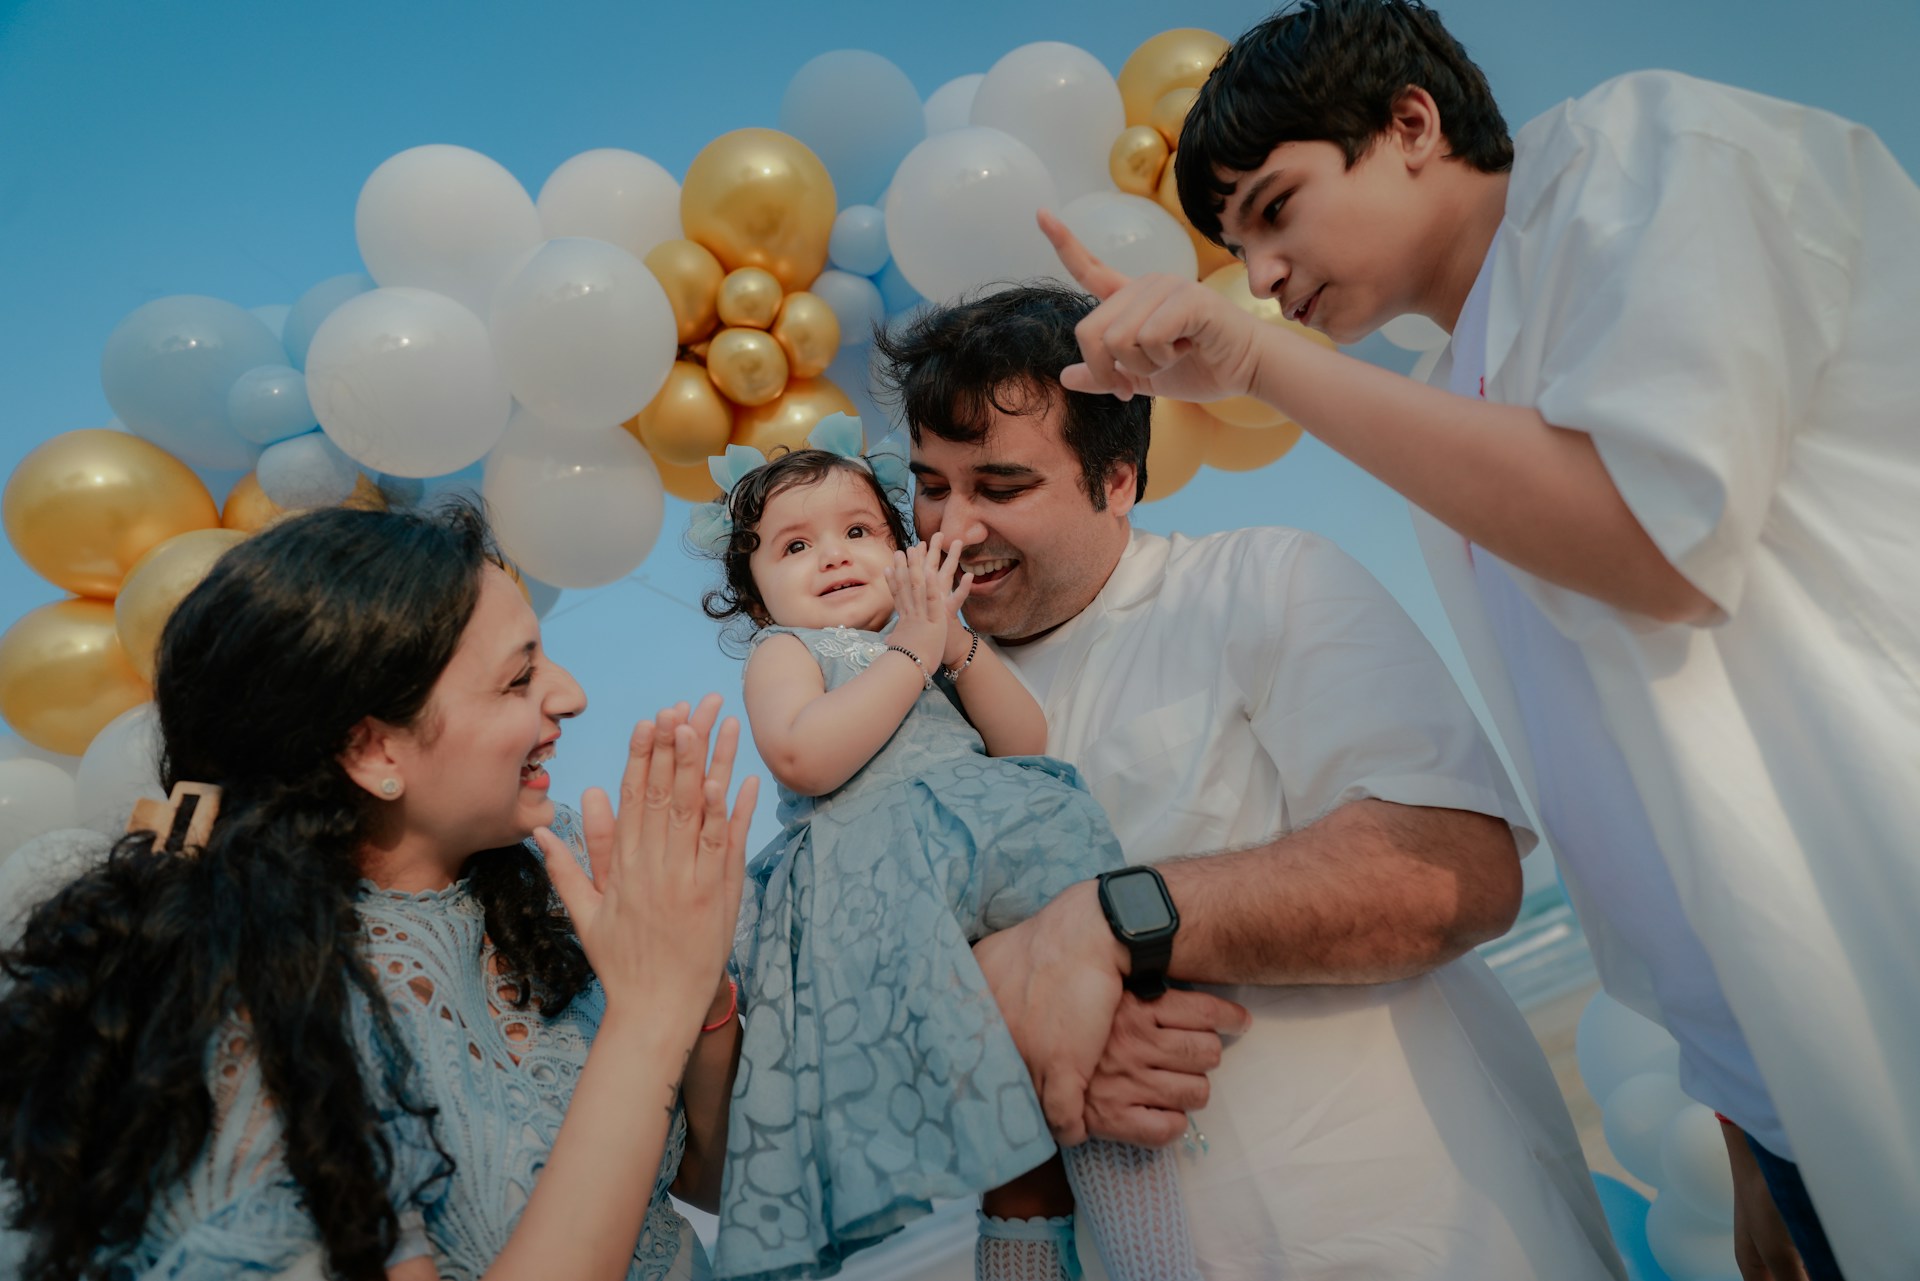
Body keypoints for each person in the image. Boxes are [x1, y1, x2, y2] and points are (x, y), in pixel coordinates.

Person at [1037, 2, 1919, 1276]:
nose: (1265, 276)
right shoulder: (1458, 388)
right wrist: (1744, 1115)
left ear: (1410, 123)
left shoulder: (1652, 152)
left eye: (1277, 210)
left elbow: (1655, 543)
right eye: (1239, 249)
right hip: (1789, 1068)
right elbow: (1638, 772)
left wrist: (1258, 362)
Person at [874, 283, 1625, 1281]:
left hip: (1421, 1236)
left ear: (1119, 482)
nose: (950, 528)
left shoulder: (1266, 581)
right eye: (930, 485)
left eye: (1000, 488)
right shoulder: (900, 711)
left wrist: (1108, 924)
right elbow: (870, 1016)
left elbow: (1457, 871)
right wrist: (1011, 1026)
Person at [0, 502, 756, 1281]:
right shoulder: (254, 1006)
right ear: (372, 749)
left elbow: (713, 1178)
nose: (569, 696)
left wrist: (699, 989)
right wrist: (648, 1012)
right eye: (519, 676)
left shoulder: (553, 869)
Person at [690, 418, 1201, 1281]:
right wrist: (910, 652)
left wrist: (956, 645)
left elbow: (1023, 738)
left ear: (903, 549)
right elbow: (803, 753)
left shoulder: (938, 637)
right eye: (795, 546)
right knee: (1003, 1127)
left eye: (860, 531)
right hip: (876, 874)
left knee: (1094, 1057)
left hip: (981, 844)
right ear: (756, 594)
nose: (835, 556)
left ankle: (1158, 1258)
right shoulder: (791, 651)